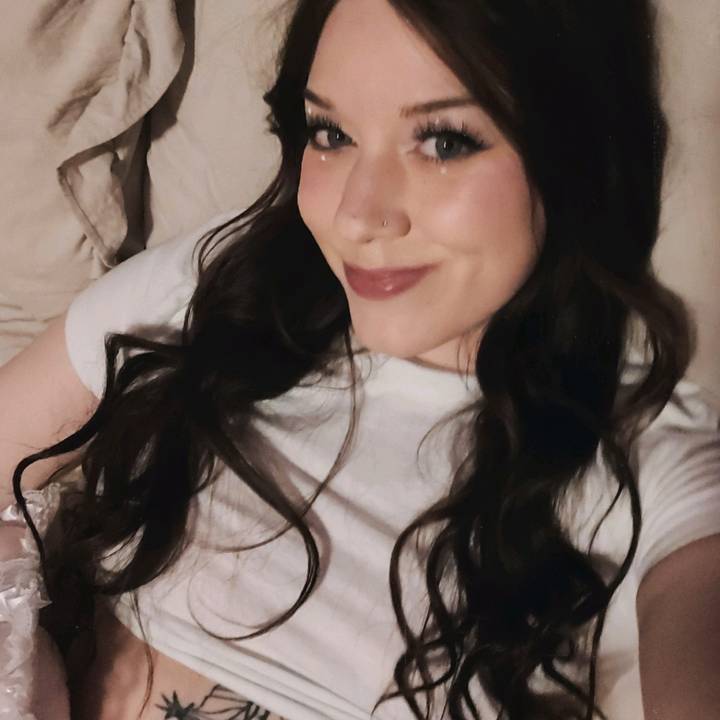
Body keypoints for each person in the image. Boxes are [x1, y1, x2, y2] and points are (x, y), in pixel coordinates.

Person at [1, 0, 719, 718]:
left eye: (444, 142)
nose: (355, 215)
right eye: (331, 133)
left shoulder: (654, 461)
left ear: (577, 151)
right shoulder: (226, 283)